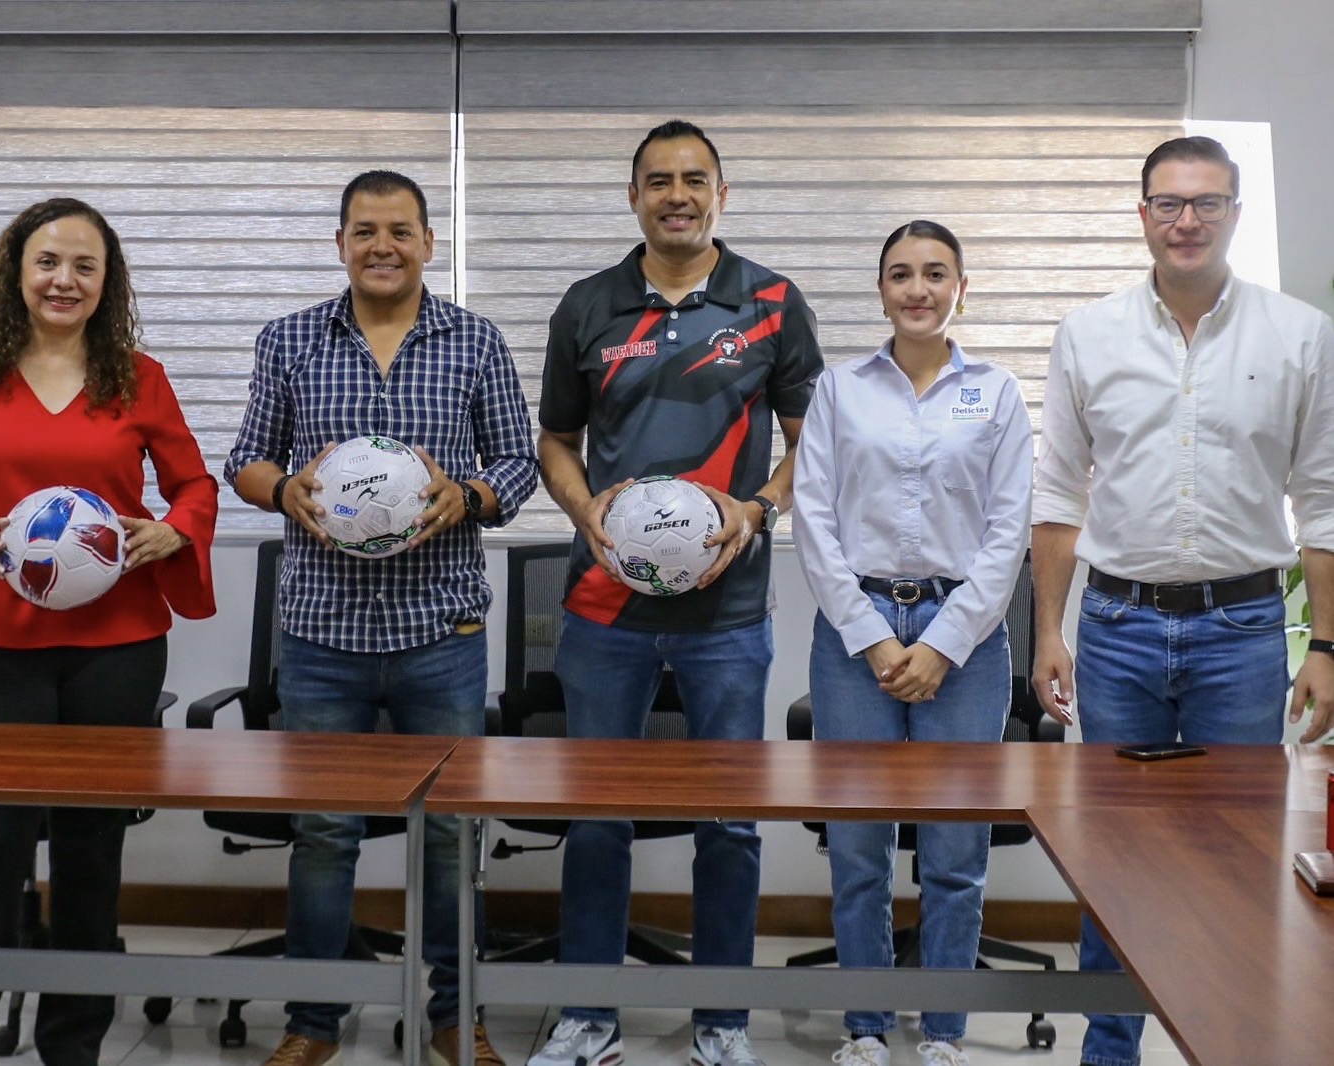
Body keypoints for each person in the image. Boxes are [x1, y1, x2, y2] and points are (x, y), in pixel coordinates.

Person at [1030, 135, 1334, 1066]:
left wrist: (1326, 646)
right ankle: (1108, 1052)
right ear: (1142, 215)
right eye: (1168, 203)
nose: (1186, 220)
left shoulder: (1299, 334)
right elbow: (1057, 495)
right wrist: (1048, 632)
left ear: (1235, 212)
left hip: (1243, 632)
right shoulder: (1088, 334)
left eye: (1206, 202)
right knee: (1111, 854)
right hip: (1115, 628)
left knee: (1237, 858)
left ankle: (1235, 1045)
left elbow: (1322, 499)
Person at [225, 169, 537, 1066]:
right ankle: (312, 1022)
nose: (382, 246)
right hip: (322, 634)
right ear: (340, 244)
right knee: (325, 833)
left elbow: (517, 462)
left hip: (442, 631)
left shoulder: (474, 340)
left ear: (428, 243)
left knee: (448, 836)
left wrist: (468, 495)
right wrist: (284, 489)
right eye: (364, 231)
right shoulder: (289, 339)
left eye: (400, 230)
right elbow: (245, 458)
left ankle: (453, 1015)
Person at [528, 119, 824, 1066]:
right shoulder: (587, 305)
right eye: (658, 180)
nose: (677, 195)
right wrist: (584, 510)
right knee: (596, 816)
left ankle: (722, 1022)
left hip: (725, 616)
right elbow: (555, 441)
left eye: (695, 179)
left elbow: (812, 442)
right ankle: (588, 1017)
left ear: (721, 195)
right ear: (633, 197)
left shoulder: (771, 302)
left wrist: (757, 510)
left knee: (728, 821)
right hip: (603, 611)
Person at [0, 197, 218, 1066]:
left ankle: (73, 1044)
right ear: (16, 271)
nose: (64, 280)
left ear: (106, 282)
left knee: (91, 844)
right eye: (48, 261)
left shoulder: (139, 378)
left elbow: (194, 488)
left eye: (86, 266)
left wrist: (174, 530)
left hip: (117, 647)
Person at [792, 220, 1033, 1066]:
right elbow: (812, 519)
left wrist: (943, 644)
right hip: (853, 633)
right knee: (857, 848)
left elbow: (1007, 532)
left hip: (963, 640)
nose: (917, 289)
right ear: (881, 291)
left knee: (955, 853)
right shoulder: (839, 389)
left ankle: (942, 1032)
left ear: (961, 288)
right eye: (900, 274)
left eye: (935, 273)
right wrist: (869, 638)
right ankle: (864, 1028)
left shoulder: (996, 393)